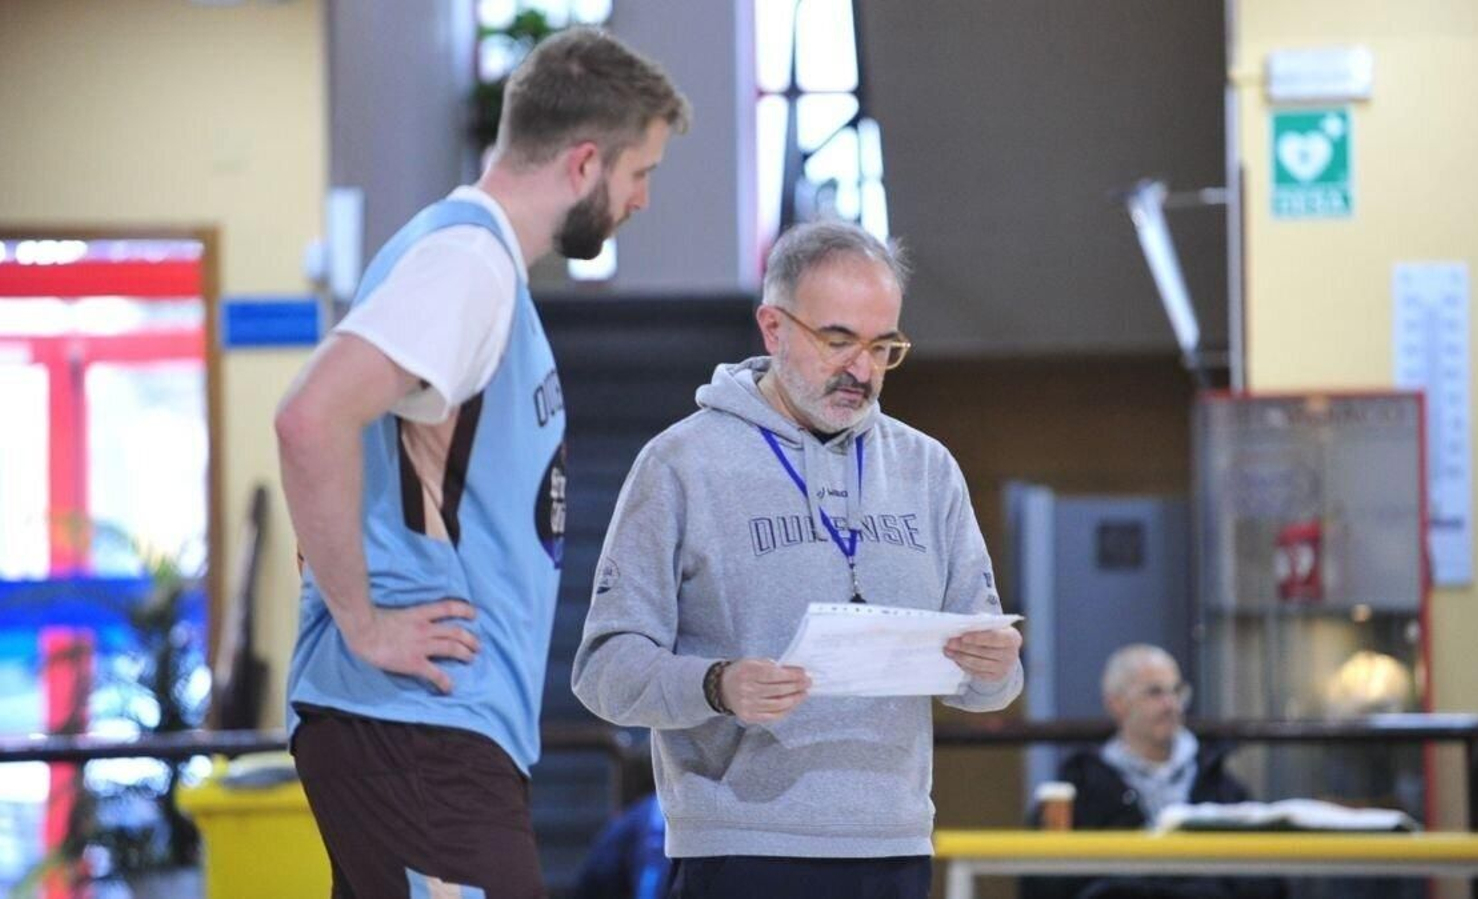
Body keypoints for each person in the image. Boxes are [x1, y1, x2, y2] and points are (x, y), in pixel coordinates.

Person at [274, 27, 688, 898]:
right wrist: (361, 620)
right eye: (640, 172)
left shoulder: (478, 265)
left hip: (428, 731)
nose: (644, 199)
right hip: (415, 727)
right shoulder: (467, 263)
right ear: (584, 163)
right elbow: (310, 418)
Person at [570, 220, 1024, 899]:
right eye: (839, 340)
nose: (863, 370)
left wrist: (995, 668)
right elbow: (603, 670)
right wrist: (716, 684)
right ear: (773, 328)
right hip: (741, 848)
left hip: (896, 845)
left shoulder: (928, 468)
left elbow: (994, 680)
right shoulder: (681, 464)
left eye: (884, 346)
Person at [1021, 645, 1283, 899]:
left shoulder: (1221, 784)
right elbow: (1043, 883)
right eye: (1154, 692)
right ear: (1117, 704)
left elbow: (1266, 878)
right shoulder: (1081, 787)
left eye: (1177, 691)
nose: (1171, 705)